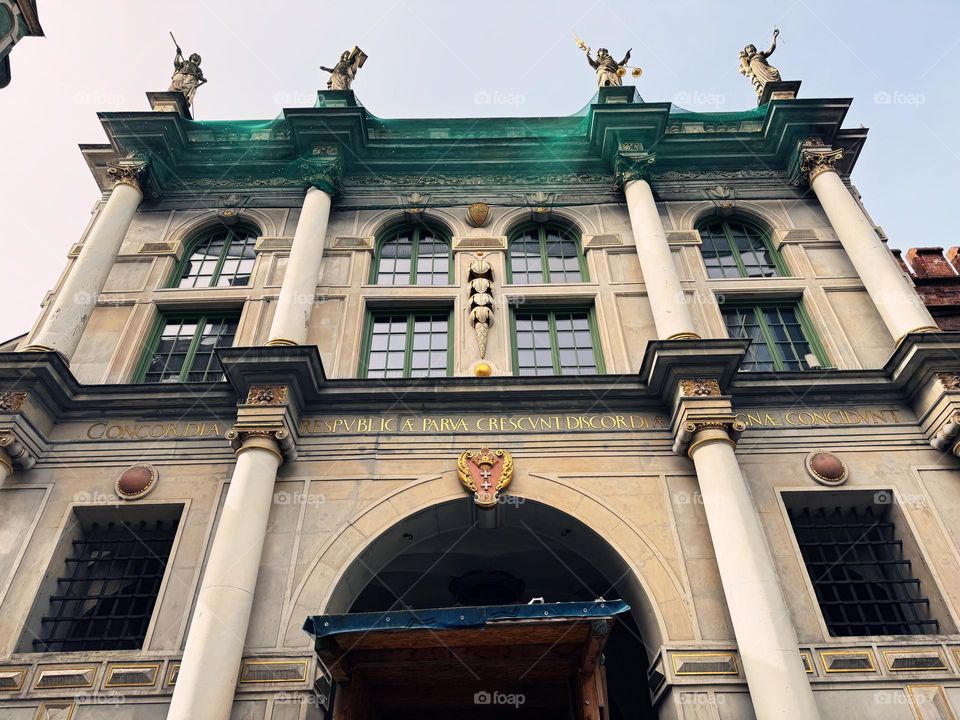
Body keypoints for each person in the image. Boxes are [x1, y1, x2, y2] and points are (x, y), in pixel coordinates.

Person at [739, 29, 781, 101]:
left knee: (775, 73)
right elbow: (744, 69)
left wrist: (774, 37)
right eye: (747, 47)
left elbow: (772, 48)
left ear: (754, 48)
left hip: (766, 69)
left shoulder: (761, 54)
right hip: (758, 72)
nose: (749, 48)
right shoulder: (748, 60)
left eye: (751, 46)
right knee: (764, 86)